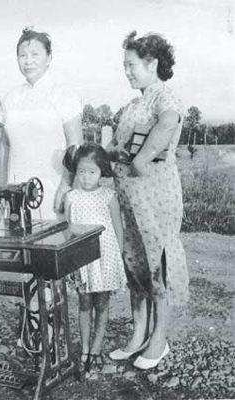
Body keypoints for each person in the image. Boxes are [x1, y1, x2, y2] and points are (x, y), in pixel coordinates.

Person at [106, 31, 189, 370]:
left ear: (152, 63)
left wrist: (143, 156)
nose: (126, 71)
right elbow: (114, 146)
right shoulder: (133, 105)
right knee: (135, 264)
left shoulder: (163, 97)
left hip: (156, 198)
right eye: (124, 65)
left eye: (132, 65)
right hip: (130, 199)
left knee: (158, 264)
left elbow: (169, 122)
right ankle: (138, 334)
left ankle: (159, 339)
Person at [0, 27, 83, 221]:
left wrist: (65, 187)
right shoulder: (11, 97)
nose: (28, 61)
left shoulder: (63, 94)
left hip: (54, 187)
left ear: (49, 57)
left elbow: (76, 146)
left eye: (35, 54)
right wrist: (3, 186)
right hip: (15, 188)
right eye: (22, 55)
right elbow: (4, 144)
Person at [63, 143, 127, 372]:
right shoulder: (71, 197)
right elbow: (68, 231)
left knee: (101, 303)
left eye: (92, 171)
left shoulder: (109, 197)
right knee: (84, 303)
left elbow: (118, 229)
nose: (86, 177)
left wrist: (118, 258)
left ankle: (96, 348)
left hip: (105, 259)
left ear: (102, 171)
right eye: (81, 171)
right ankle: (85, 349)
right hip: (82, 261)